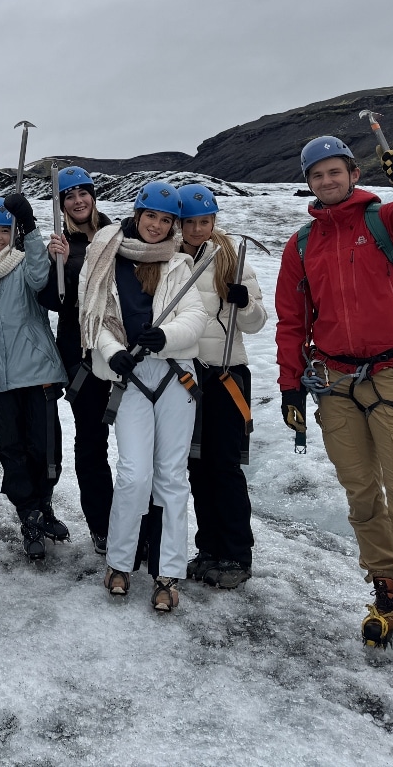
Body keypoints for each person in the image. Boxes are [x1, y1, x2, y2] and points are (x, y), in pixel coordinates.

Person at [275, 135, 393, 680]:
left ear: (353, 173)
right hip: (336, 382)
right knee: (361, 495)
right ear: (308, 182)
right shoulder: (302, 244)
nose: (327, 182)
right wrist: (290, 385)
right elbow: (291, 319)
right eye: (317, 175)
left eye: (335, 172)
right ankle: (388, 592)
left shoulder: (386, 220)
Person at [81, 181, 211, 612]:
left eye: (166, 220)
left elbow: (196, 317)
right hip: (131, 378)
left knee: (171, 477)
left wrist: (166, 336)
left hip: (176, 377)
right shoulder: (105, 257)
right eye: (150, 216)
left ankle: (167, 574)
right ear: (137, 215)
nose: (157, 226)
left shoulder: (179, 263)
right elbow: (93, 315)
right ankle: (119, 562)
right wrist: (111, 352)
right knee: (135, 474)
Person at [177, 184, 268, 591]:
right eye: (191, 222)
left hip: (227, 372)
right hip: (187, 374)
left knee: (224, 466)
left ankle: (235, 553)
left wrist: (243, 302)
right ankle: (208, 547)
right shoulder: (172, 257)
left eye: (205, 221)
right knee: (197, 465)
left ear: (215, 221)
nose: (198, 229)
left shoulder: (232, 258)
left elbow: (257, 322)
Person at [0, 195, 68, 560]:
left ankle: (43, 505)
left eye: (4, 230)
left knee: (45, 449)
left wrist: (29, 225)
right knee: (12, 451)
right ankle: (28, 514)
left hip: (38, 372)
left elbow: (43, 277)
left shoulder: (27, 263)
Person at [39, 166, 117, 554]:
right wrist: (63, 263)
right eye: (69, 196)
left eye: (83, 193)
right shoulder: (56, 243)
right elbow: (53, 302)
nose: (78, 201)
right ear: (62, 204)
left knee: (140, 448)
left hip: (123, 354)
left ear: (93, 196)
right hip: (80, 354)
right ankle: (102, 526)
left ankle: (142, 526)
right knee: (91, 442)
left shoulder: (118, 235)